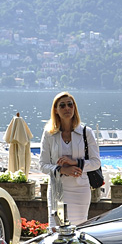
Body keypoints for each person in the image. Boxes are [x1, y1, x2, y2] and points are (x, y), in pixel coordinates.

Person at [39, 92, 100, 227]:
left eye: (70, 104)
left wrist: (76, 163)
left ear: (74, 107)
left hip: (80, 190)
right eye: (62, 105)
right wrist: (63, 170)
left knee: (78, 229)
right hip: (57, 191)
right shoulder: (49, 134)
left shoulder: (86, 132)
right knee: (56, 231)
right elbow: (43, 165)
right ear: (55, 110)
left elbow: (96, 163)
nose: (67, 108)